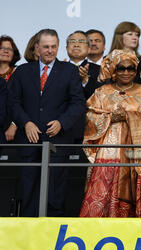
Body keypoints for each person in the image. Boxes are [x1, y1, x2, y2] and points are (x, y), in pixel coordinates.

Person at [8, 28, 85, 217]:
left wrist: (62, 122)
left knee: (55, 196)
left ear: (58, 47)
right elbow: (12, 102)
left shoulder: (69, 71)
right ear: (37, 48)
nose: (50, 51)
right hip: (29, 143)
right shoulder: (23, 71)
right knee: (29, 195)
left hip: (57, 143)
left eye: (53, 47)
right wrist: (26, 122)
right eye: (46, 47)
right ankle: (29, 241)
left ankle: (52, 241)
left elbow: (78, 103)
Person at [80, 49, 141, 218]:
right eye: (121, 68)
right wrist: (110, 117)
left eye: (131, 68)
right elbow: (89, 117)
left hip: (135, 153)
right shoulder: (102, 92)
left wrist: (128, 116)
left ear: (136, 71)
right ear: (114, 70)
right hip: (106, 151)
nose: (126, 72)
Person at [65, 30, 102, 144]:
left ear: (89, 48)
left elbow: (100, 99)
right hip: (59, 128)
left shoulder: (99, 70)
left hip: (88, 130)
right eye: (72, 41)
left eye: (81, 41)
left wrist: (86, 81)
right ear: (66, 48)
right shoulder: (58, 69)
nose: (76, 44)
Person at [0, 35, 21, 143]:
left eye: (9, 49)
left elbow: (25, 101)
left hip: (13, 131)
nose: (6, 51)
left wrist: (14, 125)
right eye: (2, 48)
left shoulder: (20, 73)